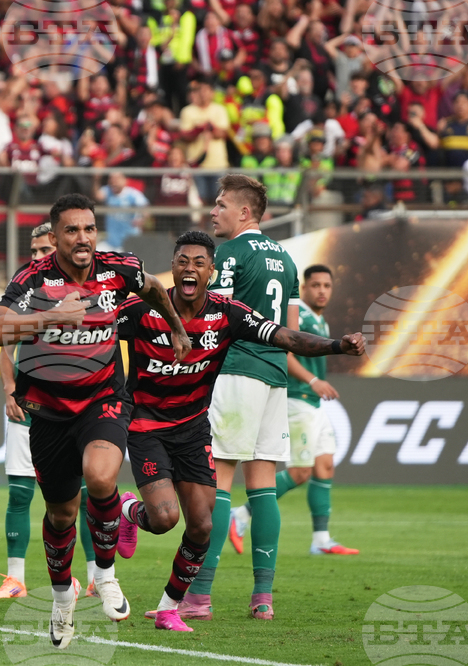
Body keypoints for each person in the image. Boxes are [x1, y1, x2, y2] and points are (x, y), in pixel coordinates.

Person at [117, 232, 365, 632]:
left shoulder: (227, 312)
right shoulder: (143, 310)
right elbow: (94, 331)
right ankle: (127, 510)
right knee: (164, 519)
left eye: (199, 262)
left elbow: (284, 336)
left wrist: (338, 345)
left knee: (201, 525)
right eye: (183, 261)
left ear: (211, 272)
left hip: (194, 429)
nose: (190, 269)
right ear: (173, 266)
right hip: (146, 427)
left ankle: (169, 608)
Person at [0, 193, 192, 649]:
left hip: (104, 399)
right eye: (72, 230)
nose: (83, 238)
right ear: (54, 237)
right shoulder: (33, 279)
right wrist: (49, 318)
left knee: (100, 477)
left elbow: (154, 287)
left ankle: (105, 574)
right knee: (60, 513)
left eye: (89, 228)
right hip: (49, 411)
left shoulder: (119, 268)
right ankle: (61, 599)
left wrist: (174, 325)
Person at [183, 174, 299, 622]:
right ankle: (263, 597)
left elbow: (215, 319)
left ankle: (199, 596)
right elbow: (287, 330)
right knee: (264, 484)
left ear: (244, 212)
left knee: (219, 482)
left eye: (220, 205)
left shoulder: (229, 254)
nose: (213, 212)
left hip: (236, 372)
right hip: (275, 376)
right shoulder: (286, 260)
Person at [0, 224, 98, 600]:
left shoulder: (87, 290)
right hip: (29, 405)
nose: (36, 257)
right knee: (19, 493)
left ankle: (96, 577)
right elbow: (4, 345)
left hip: (75, 410)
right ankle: (15, 578)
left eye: (41, 249)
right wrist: (7, 390)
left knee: (81, 497)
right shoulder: (26, 292)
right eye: (32, 250)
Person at [229, 265, 360, 558]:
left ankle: (321, 540)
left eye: (327, 285)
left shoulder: (320, 321)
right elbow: (285, 352)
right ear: (304, 288)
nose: (322, 291)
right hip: (296, 399)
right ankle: (240, 515)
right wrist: (313, 380)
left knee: (324, 465)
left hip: (313, 405)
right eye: (316, 285)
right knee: (300, 472)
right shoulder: (297, 315)